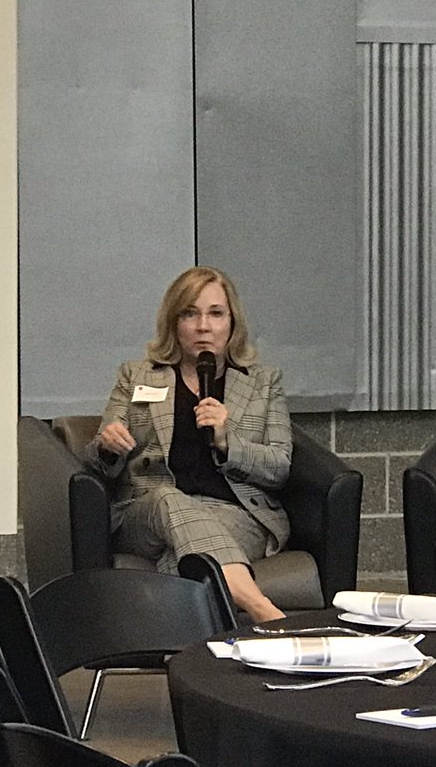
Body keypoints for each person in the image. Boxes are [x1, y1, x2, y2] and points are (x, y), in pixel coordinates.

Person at [83, 265, 290, 622]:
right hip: (148, 511)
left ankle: (189, 659)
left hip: (236, 514)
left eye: (215, 314)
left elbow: (279, 467)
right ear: (173, 322)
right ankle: (262, 609)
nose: (203, 327)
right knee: (168, 499)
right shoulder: (136, 375)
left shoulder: (262, 382)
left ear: (232, 322)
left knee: (179, 559)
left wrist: (229, 441)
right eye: (190, 314)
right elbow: (97, 460)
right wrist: (107, 446)